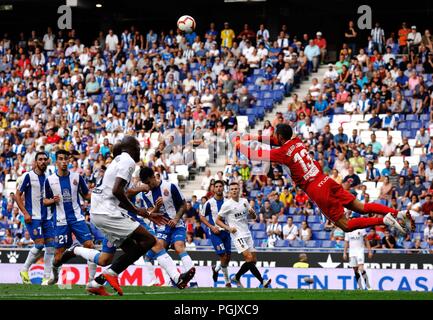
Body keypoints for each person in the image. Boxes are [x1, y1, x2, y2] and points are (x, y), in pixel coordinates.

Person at [234, 124, 406, 234]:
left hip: (317, 189)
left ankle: (383, 220)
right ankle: (397, 213)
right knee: (361, 207)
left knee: (345, 226)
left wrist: (239, 145)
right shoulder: (297, 141)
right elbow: (274, 139)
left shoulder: (282, 153)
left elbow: (256, 154)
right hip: (327, 180)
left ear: (279, 138)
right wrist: (253, 137)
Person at [88, 136, 195, 295]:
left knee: (134, 249)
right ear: (132, 149)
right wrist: (139, 211)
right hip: (108, 211)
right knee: (149, 240)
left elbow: (119, 192)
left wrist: (147, 214)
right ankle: (111, 274)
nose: (140, 152)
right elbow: (117, 191)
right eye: (138, 148)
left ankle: (96, 284)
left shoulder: (118, 160)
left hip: (99, 211)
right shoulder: (128, 161)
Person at [43, 149, 98, 286]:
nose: (63, 162)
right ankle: (55, 275)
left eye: (65, 159)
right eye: (60, 159)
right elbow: (45, 201)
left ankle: (91, 280)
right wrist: (52, 201)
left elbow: (86, 195)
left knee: (89, 245)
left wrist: (100, 196)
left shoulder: (77, 177)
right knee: (59, 254)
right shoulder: (50, 180)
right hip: (60, 221)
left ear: (69, 161)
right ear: (56, 162)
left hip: (77, 218)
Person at [139, 166, 198, 287]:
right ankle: (170, 280)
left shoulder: (170, 186)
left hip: (177, 224)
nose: (148, 186)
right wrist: (156, 207)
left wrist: (176, 218)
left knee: (179, 247)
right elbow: (150, 214)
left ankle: (192, 281)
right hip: (161, 227)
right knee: (154, 253)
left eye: (149, 183)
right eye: (145, 184)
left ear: (153, 176)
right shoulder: (146, 194)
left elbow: (183, 205)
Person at [216, 182, 271, 288]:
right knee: (249, 258)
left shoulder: (244, 201)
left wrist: (252, 212)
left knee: (253, 260)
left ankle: (236, 277)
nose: (234, 191)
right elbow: (217, 220)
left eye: (236, 189)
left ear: (239, 190)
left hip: (247, 233)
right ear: (229, 191)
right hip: (237, 235)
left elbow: (254, 217)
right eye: (232, 189)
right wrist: (228, 228)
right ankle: (262, 281)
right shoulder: (227, 204)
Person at [15, 152, 55, 285]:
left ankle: (46, 278)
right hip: (33, 217)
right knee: (39, 244)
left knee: (50, 247)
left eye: (45, 159)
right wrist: (25, 213)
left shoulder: (48, 178)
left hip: (47, 218)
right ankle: (24, 269)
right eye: (40, 159)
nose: (43, 161)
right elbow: (18, 195)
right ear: (36, 161)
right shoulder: (28, 176)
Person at [200, 180, 232, 287]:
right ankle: (227, 282)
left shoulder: (228, 202)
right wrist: (211, 227)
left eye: (220, 186)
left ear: (223, 188)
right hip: (215, 233)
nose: (218, 188)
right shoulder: (209, 203)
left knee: (227, 258)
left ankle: (216, 268)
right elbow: (202, 216)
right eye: (216, 186)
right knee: (223, 255)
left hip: (226, 233)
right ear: (213, 189)